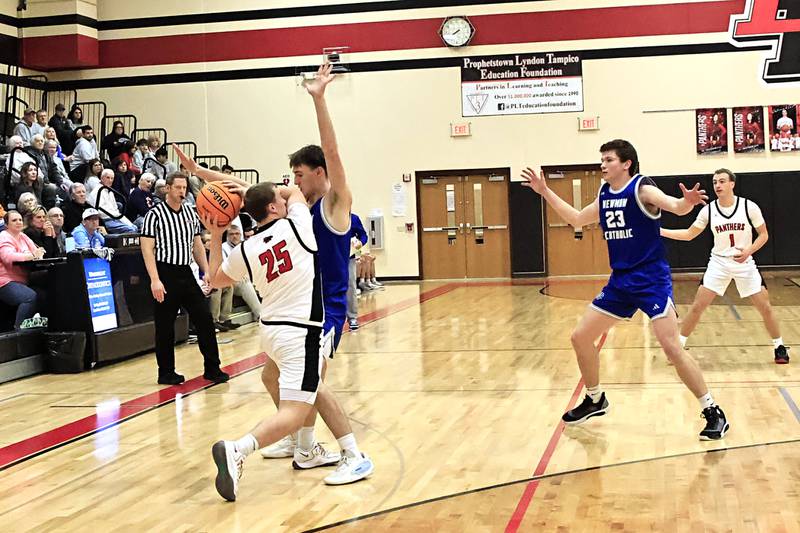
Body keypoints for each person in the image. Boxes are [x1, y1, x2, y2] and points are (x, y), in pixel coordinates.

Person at [175, 62, 355, 460]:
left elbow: (332, 152)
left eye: (299, 174)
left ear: (319, 173)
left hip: (324, 310)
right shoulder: (294, 211)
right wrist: (200, 173)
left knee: (313, 386)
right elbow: (248, 189)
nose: (293, 181)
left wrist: (319, 98)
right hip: (297, 309)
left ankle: (349, 454)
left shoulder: (333, 205)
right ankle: (299, 442)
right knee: (271, 376)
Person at [521, 139, 729, 440]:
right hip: (621, 281)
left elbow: (675, 206)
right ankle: (595, 399)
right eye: (602, 159)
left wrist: (687, 202)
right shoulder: (605, 193)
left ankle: (712, 410)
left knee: (671, 346)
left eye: (609, 160)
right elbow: (577, 218)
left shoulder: (642, 189)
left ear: (626, 163)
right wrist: (544, 191)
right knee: (580, 337)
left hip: (651, 279)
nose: (603, 165)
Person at [204, 182, 373, 501]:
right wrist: (251, 193)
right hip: (299, 332)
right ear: (273, 207)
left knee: (282, 380)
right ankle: (238, 449)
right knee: (295, 410)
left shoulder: (245, 250)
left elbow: (215, 279)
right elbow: (293, 191)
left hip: (270, 332)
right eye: (277, 201)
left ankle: (306, 449)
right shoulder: (297, 226)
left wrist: (216, 233)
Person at [661, 169, 789, 364]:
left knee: (765, 307)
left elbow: (764, 235)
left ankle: (779, 346)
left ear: (732, 184)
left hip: (744, 262)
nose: (717, 185)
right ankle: (678, 347)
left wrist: (749, 250)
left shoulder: (749, 206)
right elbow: (689, 234)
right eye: (715, 182)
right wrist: (660, 231)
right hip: (719, 263)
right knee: (697, 307)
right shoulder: (708, 210)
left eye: (722, 181)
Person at [140, 172, 229, 385]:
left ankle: (212, 368)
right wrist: (155, 279)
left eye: (184, 188)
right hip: (165, 272)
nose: (182, 191)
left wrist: (206, 270)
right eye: (178, 187)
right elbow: (147, 248)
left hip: (185, 272)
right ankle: (166, 372)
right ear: (167, 188)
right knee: (165, 326)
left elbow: (197, 245)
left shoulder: (190, 212)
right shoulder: (154, 215)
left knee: (204, 319)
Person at [0, 210, 44, 329]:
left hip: (22, 279)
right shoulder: (3, 237)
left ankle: (45, 329)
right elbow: (8, 257)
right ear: (6, 224)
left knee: (45, 292)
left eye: (20, 219)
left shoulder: (23, 236)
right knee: (29, 297)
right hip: (5, 281)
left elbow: (37, 252)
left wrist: (37, 253)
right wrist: (30, 256)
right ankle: (20, 330)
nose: (18, 222)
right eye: (14, 220)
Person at [347, 213, 368, 329]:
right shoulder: (328, 217)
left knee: (351, 285)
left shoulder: (354, 219)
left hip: (349, 256)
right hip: (331, 256)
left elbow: (363, 235)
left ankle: (352, 317)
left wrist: (360, 243)